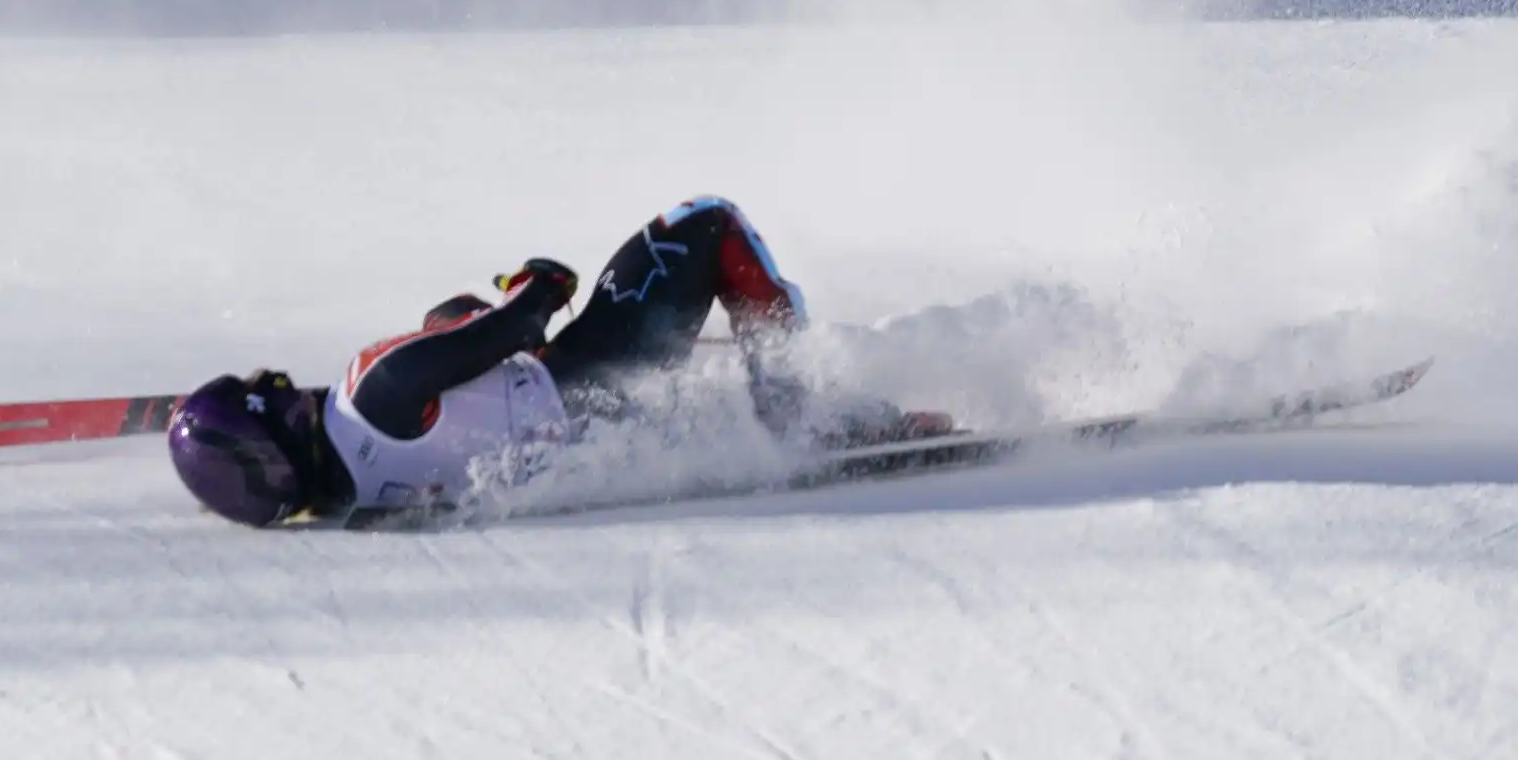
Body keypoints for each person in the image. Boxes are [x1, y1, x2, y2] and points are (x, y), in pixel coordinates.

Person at [165, 195, 952, 526]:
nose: (278, 381)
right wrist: (535, 281)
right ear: (267, 417)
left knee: (451, 315)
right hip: (584, 381)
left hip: (586, 436)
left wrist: (463, 322)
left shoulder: (352, 493)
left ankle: (851, 420)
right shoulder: (367, 388)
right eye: (265, 388)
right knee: (704, 224)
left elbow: (456, 357)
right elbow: (526, 320)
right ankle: (801, 416)